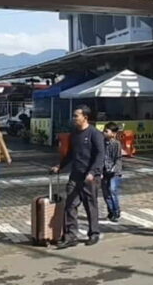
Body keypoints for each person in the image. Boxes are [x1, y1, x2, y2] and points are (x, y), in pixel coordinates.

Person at [50, 105, 104, 248]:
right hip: (76, 175)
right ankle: (71, 236)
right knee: (70, 205)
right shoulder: (74, 134)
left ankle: (94, 234)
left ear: (85, 117)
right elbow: (70, 154)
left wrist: (92, 172)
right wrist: (60, 166)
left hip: (90, 177)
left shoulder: (95, 134)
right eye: (74, 116)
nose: (74, 118)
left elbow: (100, 155)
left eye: (76, 116)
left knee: (90, 205)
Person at [102, 122, 123, 223]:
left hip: (114, 172)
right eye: (104, 130)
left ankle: (116, 211)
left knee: (112, 190)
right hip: (104, 171)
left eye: (106, 131)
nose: (104, 133)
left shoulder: (116, 144)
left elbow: (117, 159)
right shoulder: (101, 143)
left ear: (113, 134)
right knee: (106, 193)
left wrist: (113, 170)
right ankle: (110, 210)